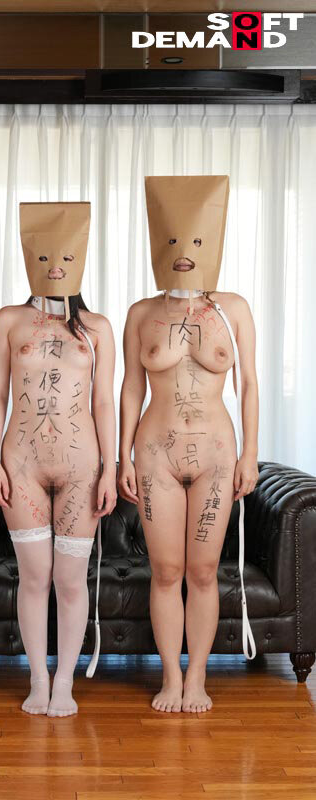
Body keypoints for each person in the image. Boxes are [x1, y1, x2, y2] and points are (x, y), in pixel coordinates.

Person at [118, 176, 259, 714]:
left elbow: (249, 384)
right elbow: (130, 388)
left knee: (203, 571)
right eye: (174, 240)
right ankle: (170, 677)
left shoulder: (233, 309)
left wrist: (250, 453)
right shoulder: (141, 312)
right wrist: (122, 456)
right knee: (166, 571)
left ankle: (197, 676)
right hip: (155, 453)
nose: (184, 252)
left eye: (196, 241)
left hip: (217, 456)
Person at [0, 201, 117, 717]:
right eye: (45, 256)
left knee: (69, 579)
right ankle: (38, 679)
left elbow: (103, 403)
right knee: (35, 574)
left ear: (80, 260)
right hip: (21, 462)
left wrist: (111, 469)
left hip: (82, 466)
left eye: (66, 257)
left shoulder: (97, 328)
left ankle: (65, 682)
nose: (56, 266)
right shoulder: (8, 320)